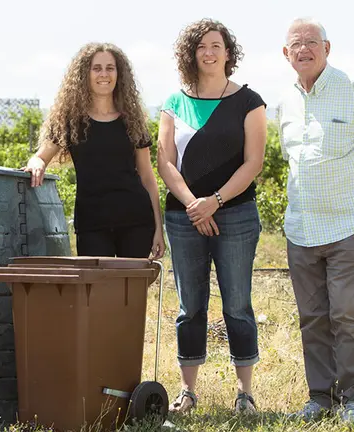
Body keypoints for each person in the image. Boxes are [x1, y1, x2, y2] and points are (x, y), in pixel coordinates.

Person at [276, 17, 354, 429]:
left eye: (312, 42)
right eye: (296, 44)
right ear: (286, 53)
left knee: (348, 313)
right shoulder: (285, 103)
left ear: (328, 49)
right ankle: (321, 398)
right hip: (302, 229)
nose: (304, 50)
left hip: (352, 225)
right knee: (312, 316)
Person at [157, 18, 267, 415]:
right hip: (183, 217)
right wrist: (193, 205)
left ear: (228, 52)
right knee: (191, 306)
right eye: (202, 46)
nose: (209, 51)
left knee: (237, 304)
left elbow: (254, 162)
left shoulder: (249, 101)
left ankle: (245, 394)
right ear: (191, 53)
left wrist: (215, 201)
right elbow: (165, 163)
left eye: (216, 45)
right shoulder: (173, 103)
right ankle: (187, 392)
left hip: (235, 214)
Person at [23, 43, 164, 260]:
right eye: (96, 68)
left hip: (136, 221)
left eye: (110, 68)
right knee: (98, 293)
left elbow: (147, 176)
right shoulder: (70, 122)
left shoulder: (133, 121)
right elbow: (40, 156)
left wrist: (158, 228)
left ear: (119, 73)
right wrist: (36, 164)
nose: (104, 74)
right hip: (92, 224)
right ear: (84, 74)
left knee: (132, 293)